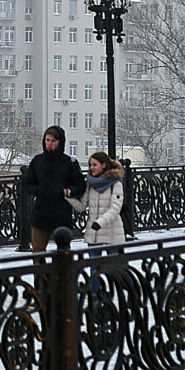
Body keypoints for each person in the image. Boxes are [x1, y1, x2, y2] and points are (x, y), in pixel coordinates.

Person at [66, 152, 126, 294]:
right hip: (94, 232)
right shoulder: (91, 184)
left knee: (115, 267)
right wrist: (67, 197)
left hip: (112, 231)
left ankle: (128, 290)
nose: (91, 168)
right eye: (90, 165)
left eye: (95, 165)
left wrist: (99, 222)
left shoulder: (115, 184)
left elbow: (115, 209)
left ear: (104, 165)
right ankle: (95, 295)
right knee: (94, 268)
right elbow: (82, 206)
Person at [21, 125, 86, 253]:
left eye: (53, 141)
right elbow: (27, 183)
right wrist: (38, 191)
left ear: (60, 142)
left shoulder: (69, 162)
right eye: (47, 140)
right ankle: (40, 274)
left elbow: (80, 185)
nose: (49, 144)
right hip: (41, 212)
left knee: (63, 251)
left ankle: (62, 273)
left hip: (61, 212)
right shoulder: (37, 161)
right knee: (37, 252)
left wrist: (68, 192)